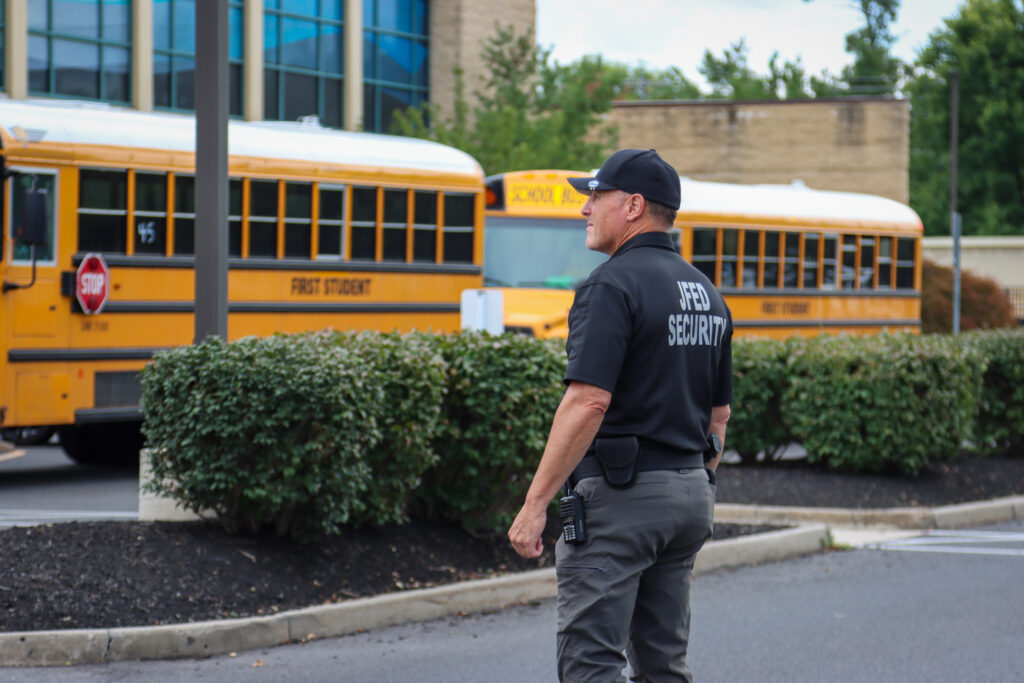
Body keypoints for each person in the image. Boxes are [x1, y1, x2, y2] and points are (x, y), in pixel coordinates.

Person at [508, 148, 733, 682]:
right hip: (689, 496)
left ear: (632, 205)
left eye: (595, 196)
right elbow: (718, 417)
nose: (585, 210)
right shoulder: (706, 293)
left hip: (622, 499)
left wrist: (535, 503)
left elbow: (588, 401)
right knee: (662, 665)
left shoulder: (610, 286)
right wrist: (694, 482)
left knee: (591, 663)